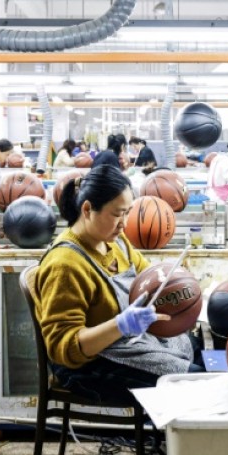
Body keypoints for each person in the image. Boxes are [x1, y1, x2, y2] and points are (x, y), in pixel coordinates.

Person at [33, 164, 202, 404]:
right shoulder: (65, 264)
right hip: (87, 366)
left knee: (203, 354)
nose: (124, 223)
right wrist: (121, 325)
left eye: (128, 212)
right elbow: (64, 348)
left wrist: (176, 284)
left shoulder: (116, 242)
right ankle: (175, 440)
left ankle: (169, 438)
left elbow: (148, 275)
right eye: (117, 214)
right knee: (194, 382)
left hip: (125, 345)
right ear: (88, 209)